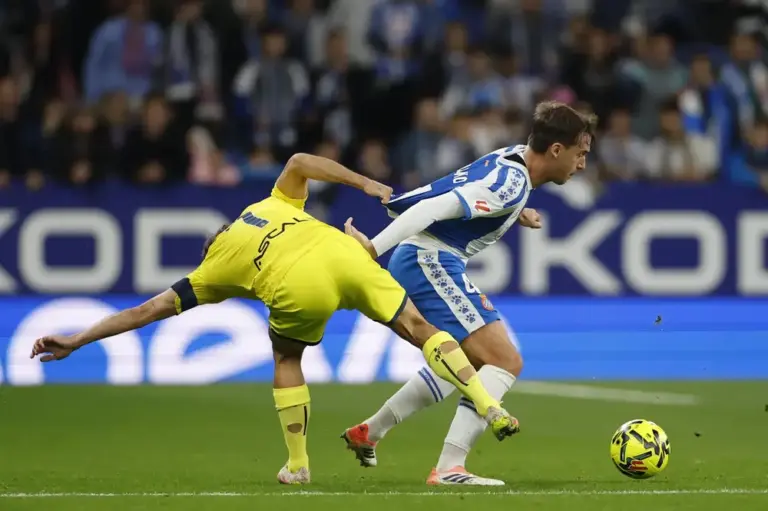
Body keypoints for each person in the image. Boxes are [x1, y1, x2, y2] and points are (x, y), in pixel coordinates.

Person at [28, 152, 518, 485]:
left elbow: (145, 310)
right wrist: (364, 182)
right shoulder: (267, 203)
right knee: (422, 330)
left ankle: (299, 465)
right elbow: (300, 162)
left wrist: (77, 339)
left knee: (287, 356)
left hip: (300, 288)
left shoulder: (213, 269)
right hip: (346, 256)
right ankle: (487, 403)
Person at [342, 101, 595, 485]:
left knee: (466, 362)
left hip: (423, 259)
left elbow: (471, 189)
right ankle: (448, 468)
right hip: (429, 261)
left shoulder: (511, 158)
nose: (582, 165)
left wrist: (514, 211)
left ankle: (370, 431)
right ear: (557, 150)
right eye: (581, 154)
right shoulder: (511, 186)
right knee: (504, 360)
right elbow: (433, 206)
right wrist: (372, 249)